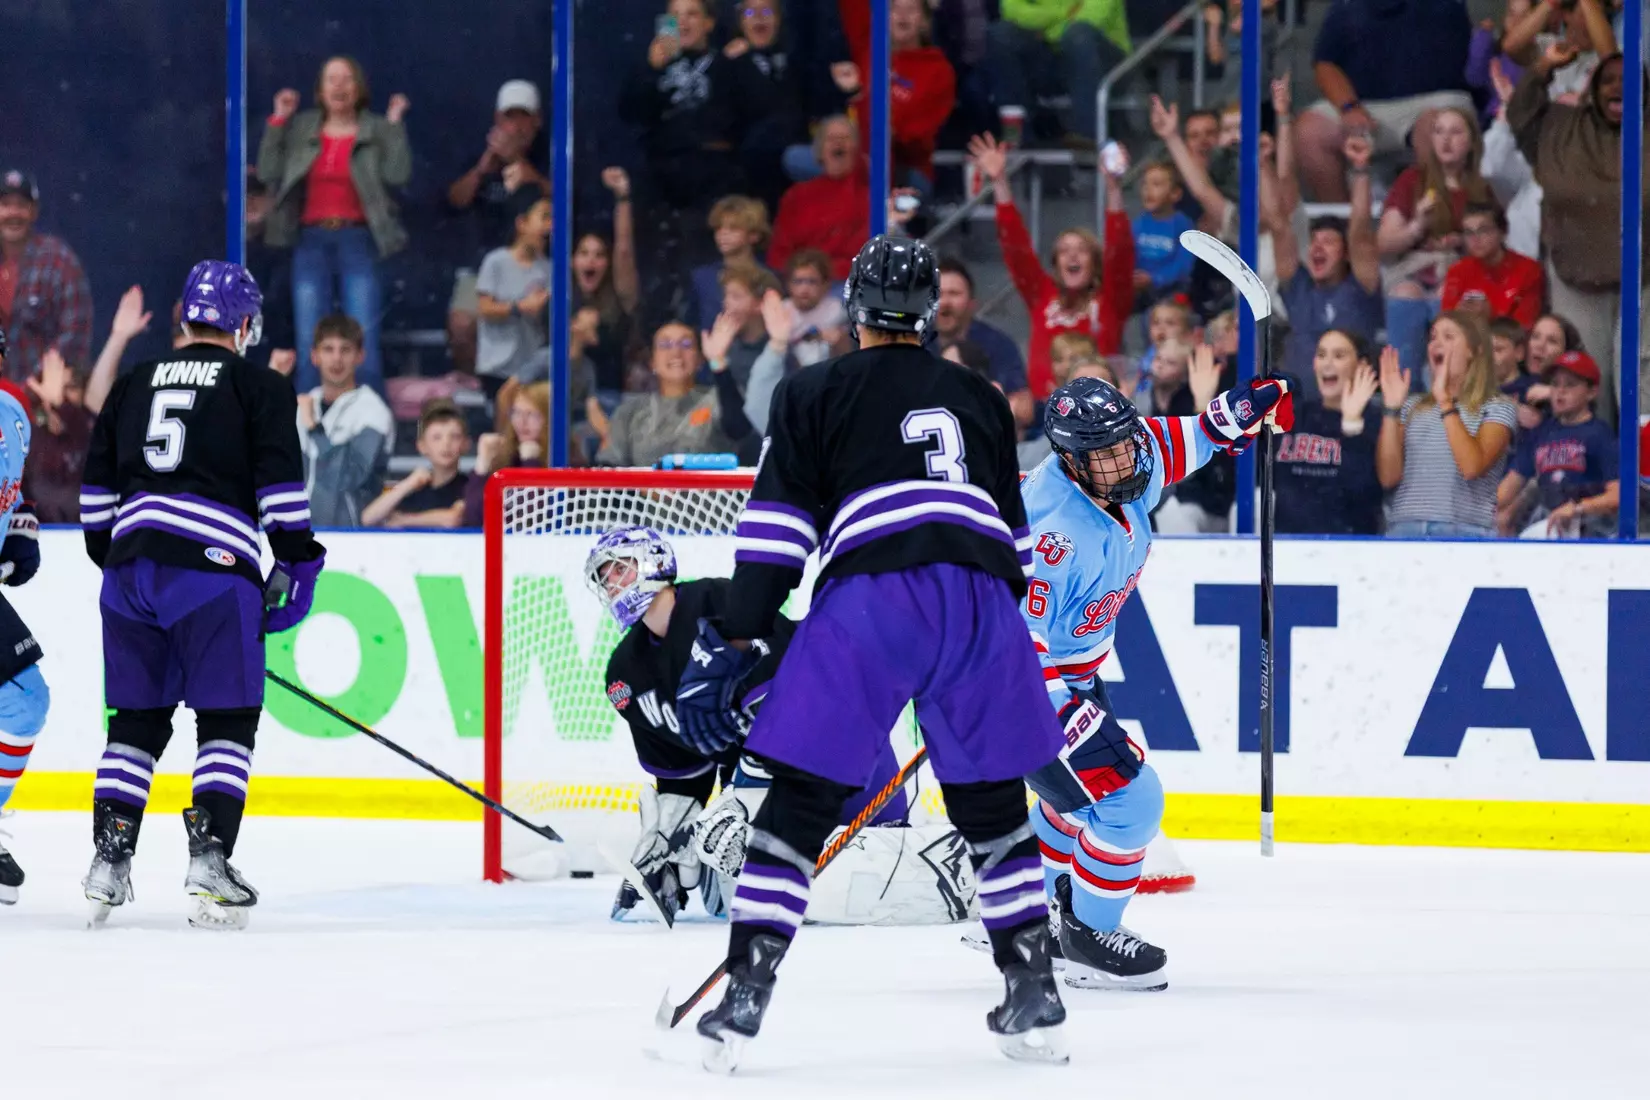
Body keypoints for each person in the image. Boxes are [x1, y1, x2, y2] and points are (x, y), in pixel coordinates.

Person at [678, 236, 1071, 1070]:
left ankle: (746, 995)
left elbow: (779, 534)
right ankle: (1032, 988)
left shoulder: (812, 389)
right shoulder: (981, 396)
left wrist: (737, 628)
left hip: (875, 597)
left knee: (797, 809)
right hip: (982, 601)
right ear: (930, 316)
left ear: (854, 310)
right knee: (994, 811)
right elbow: (1019, 545)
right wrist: (1009, 656)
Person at [1017, 368, 1290, 991]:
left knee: (1074, 802)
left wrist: (1243, 409)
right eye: (1107, 452)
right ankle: (1085, 934)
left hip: (1076, 673)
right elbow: (1015, 654)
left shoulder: (1124, 463)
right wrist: (1070, 721)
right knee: (1130, 798)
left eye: (1126, 440)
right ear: (1071, 461)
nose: (1126, 457)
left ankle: (1022, 917)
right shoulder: (1047, 531)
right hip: (1021, 689)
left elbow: (1190, 438)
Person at [77, 261, 326, 928]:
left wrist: (123, 560)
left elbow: (94, 501)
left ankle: (108, 862)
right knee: (225, 721)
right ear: (244, 326)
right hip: (213, 572)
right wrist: (298, 563)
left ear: (185, 318)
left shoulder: (132, 382)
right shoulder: (259, 384)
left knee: (133, 723)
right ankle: (209, 863)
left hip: (128, 571)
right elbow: (279, 493)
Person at [589, 526, 973, 928]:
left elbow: (793, 710)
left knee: (873, 861)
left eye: (620, 568)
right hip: (762, 782)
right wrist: (670, 837)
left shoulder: (719, 605)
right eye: (604, 577)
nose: (612, 582)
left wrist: (741, 800)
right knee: (731, 897)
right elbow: (683, 776)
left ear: (654, 561)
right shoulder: (627, 673)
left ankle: (961, 867)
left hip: (839, 749)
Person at [1509, 44, 1647, 425]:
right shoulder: (1559, 129)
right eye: (1609, 80)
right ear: (1593, 87)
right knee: (1587, 384)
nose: (1618, 88)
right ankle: (1594, 476)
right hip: (1578, 280)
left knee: (1643, 385)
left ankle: (1644, 480)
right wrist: (1544, 66)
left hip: (1646, 284)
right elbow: (1519, 113)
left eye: (1629, 80)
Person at [256, 57, 411, 395]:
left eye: (347, 79)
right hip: (311, 240)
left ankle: (370, 420)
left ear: (359, 88)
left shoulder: (375, 128)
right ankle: (308, 420)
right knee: (310, 334)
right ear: (320, 90)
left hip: (358, 238)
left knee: (363, 331)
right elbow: (268, 172)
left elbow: (398, 175)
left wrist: (395, 125)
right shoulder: (302, 128)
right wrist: (279, 120)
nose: (339, 86)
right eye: (331, 79)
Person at [970, 132, 1134, 401]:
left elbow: (1120, 253)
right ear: (1056, 265)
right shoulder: (1042, 295)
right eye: (1064, 252)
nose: (1072, 257)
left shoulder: (1111, 301)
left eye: (1081, 251)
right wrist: (999, 181)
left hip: (1096, 413)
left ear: (1095, 263)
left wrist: (1114, 188)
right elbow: (1016, 250)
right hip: (1042, 416)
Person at [1294, 0, 1473, 202]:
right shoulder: (1345, 7)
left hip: (1434, 102)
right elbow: (1325, 63)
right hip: (1367, 108)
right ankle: (1339, 224)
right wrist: (1349, 107)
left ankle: (1438, 223)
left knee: (1440, 127)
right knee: (1308, 131)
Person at [1375, 106, 1499, 379]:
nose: (1446, 140)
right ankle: (1403, 395)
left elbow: (1493, 246)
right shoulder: (1412, 181)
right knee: (1405, 293)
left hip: (1460, 271)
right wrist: (1417, 225)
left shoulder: (1482, 189)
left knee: (1450, 293)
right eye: (1439, 132)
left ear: (1471, 142)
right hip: (1413, 268)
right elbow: (1384, 242)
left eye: (1455, 132)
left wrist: (1463, 242)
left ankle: (1447, 390)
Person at [1377, 312, 1519, 538]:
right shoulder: (1412, 405)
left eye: (1449, 336)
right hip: (1405, 528)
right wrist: (1392, 408)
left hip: (1465, 530)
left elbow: (1471, 467)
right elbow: (1388, 477)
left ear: (1474, 351)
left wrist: (1445, 401)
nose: (1437, 343)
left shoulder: (1497, 406)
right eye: (1433, 337)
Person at [445, 79, 551, 374]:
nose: (516, 126)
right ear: (497, 120)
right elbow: (454, 201)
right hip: (483, 265)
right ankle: (483, 395)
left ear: (537, 121)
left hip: (536, 266)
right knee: (462, 325)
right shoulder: (480, 157)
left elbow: (570, 205)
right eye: (509, 117)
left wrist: (529, 173)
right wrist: (482, 169)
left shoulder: (551, 155)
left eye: (523, 117)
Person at [1271, 132, 1384, 400]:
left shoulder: (1360, 289)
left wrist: (1360, 169)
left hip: (1350, 411)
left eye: (1329, 242)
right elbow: (1278, 226)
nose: (1317, 248)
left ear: (1346, 254)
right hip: (1294, 412)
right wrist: (1264, 163)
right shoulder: (1298, 288)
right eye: (1314, 241)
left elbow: (1360, 232)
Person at [0, 327, 50, 904]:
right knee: (23, 698)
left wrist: (22, 526)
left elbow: (19, 484)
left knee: (23, 701)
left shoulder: (13, 408)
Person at [1496, 350, 1619, 538]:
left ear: (1592, 392)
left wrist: (1578, 508)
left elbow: (1618, 495)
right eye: (1555, 384)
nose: (1560, 391)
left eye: (1570, 385)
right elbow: (1507, 490)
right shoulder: (1541, 433)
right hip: (1547, 525)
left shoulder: (1600, 434)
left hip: (1589, 531)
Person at [596, 322, 754, 469]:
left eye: (686, 344)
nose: (676, 352)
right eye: (665, 345)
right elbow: (607, 467)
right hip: (645, 499)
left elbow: (739, 429)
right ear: (652, 362)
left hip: (709, 498)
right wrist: (645, 489)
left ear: (699, 360)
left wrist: (718, 362)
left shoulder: (719, 398)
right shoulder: (629, 412)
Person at [1274, 329, 1385, 535]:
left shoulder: (1375, 420)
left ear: (1362, 366)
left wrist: (1352, 425)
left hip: (1346, 550)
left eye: (1339, 355)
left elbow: (1363, 493)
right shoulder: (1293, 415)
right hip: (1287, 546)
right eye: (1321, 355)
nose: (1327, 364)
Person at [986, 0, 1130, 147]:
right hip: (1053, 56)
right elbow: (1011, 9)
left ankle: (1088, 135)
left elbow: (1092, 17)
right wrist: (1063, 15)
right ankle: (1015, 134)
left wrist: (1046, 30)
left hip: (1106, 60)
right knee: (1000, 34)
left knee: (1078, 36)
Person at [297, 314, 395, 527]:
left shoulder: (373, 411)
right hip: (301, 538)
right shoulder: (304, 404)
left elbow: (349, 477)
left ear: (360, 356)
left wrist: (315, 429)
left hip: (355, 539)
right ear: (315, 356)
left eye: (346, 350)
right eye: (328, 349)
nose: (336, 359)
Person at [0, 170, 92, 383]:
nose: (14, 213)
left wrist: (30, 390)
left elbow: (75, 335)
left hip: (45, 403)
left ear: (34, 212)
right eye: (5, 205)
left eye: (22, 206)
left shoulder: (59, 261)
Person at [934, 258, 1032, 429]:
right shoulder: (912, 342)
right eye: (938, 294)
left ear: (972, 303)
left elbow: (1024, 408)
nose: (945, 303)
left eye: (954, 293)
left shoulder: (998, 344)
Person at [475, 192, 553, 398]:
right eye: (544, 217)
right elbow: (484, 308)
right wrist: (520, 307)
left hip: (532, 367)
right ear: (522, 223)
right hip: (497, 368)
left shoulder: (550, 269)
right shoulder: (495, 262)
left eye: (553, 219)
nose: (550, 226)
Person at [362, 401, 470, 529]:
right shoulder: (415, 487)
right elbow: (368, 518)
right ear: (422, 446)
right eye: (437, 437)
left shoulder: (469, 485)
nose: (446, 444)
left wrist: (404, 520)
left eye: (455, 437)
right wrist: (407, 484)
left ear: (465, 444)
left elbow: (453, 518)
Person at [463, 380, 552, 527]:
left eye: (532, 414)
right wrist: (482, 464)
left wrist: (531, 463)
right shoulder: (505, 458)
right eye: (517, 413)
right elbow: (474, 517)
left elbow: (532, 520)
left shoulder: (565, 460)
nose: (522, 422)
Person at [1441, 203, 1543, 328]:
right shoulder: (1457, 270)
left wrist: (1490, 315)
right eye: (1468, 233)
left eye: (1483, 230)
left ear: (1503, 232)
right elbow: (1445, 322)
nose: (1475, 239)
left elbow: (1524, 329)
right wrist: (1458, 315)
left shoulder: (1528, 270)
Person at [693, 196, 775, 331]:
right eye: (718, 228)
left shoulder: (768, 278)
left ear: (754, 235)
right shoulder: (702, 277)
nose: (723, 234)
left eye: (733, 228)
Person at [1131, 162, 1196, 311]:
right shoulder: (1138, 223)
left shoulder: (1183, 225)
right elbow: (1130, 254)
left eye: (1156, 184)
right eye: (1144, 185)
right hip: (1141, 284)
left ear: (1175, 194)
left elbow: (1183, 265)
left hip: (1172, 286)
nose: (1148, 190)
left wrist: (1155, 278)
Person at [781, 249, 851, 367]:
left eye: (812, 282)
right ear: (788, 284)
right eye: (798, 282)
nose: (804, 289)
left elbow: (847, 356)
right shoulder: (780, 311)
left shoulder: (838, 311)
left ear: (826, 285)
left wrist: (838, 342)